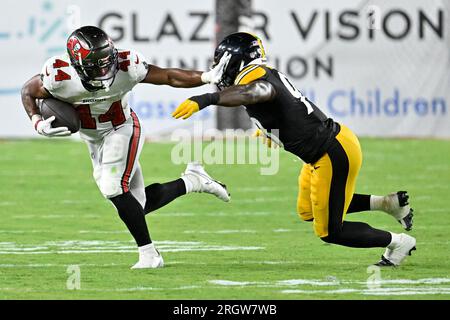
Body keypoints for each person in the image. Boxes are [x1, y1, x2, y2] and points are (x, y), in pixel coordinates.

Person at [172, 32, 416, 267]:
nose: (217, 67)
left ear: (233, 59)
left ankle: (398, 243)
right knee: (307, 209)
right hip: (326, 149)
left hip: (331, 152)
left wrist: (205, 99)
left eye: (219, 61)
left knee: (330, 231)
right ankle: (387, 204)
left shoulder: (255, 80)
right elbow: (281, 106)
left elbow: (258, 92)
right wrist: (267, 129)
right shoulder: (257, 73)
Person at [21, 26, 231, 269]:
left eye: (106, 62)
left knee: (113, 188)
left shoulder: (126, 65)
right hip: (93, 138)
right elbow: (28, 91)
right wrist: (36, 121)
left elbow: (168, 76)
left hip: (121, 129)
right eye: (95, 66)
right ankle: (193, 181)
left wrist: (206, 77)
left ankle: (150, 255)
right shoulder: (59, 75)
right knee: (135, 205)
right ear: (77, 65)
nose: (104, 70)